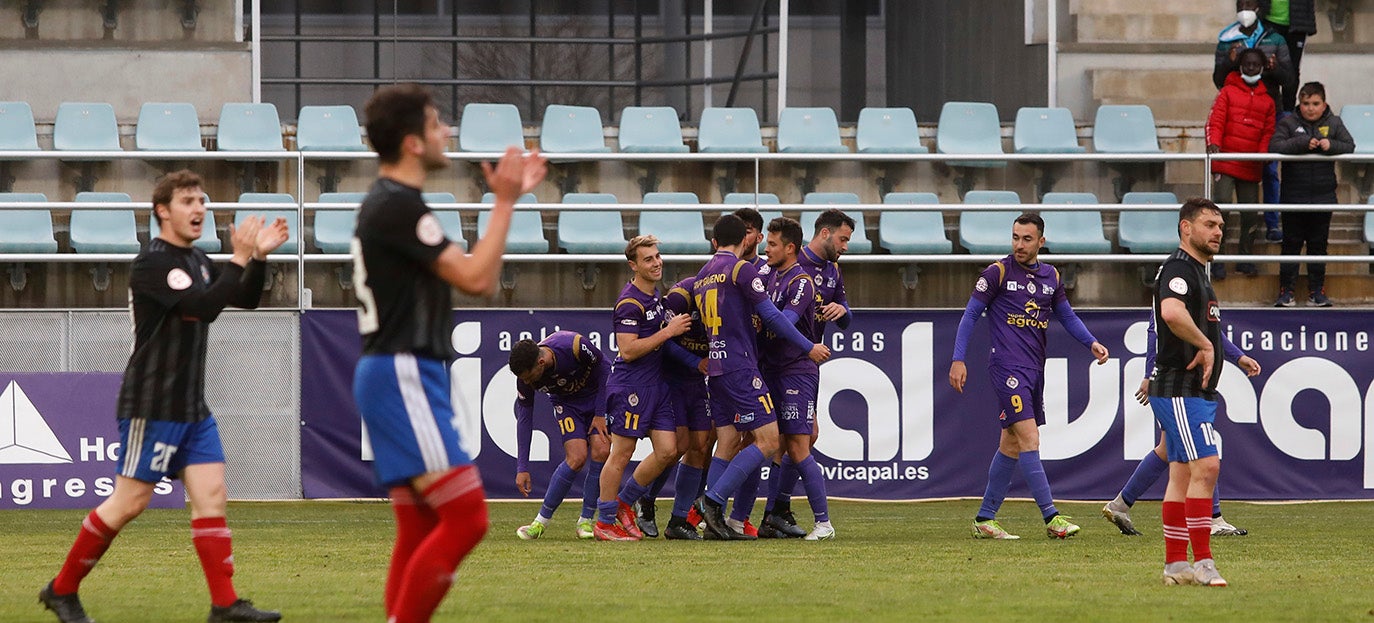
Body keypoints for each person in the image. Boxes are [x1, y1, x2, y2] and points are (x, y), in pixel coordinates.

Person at [39, 170, 289, 623]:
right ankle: (61, 589)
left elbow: (246, 298)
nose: (199, 210)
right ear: (162, 211)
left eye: (203, 201)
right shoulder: (153, 263)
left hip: (192, 407)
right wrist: (237, 257)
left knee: (212, 497)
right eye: (189, 201)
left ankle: (225, 605)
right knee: (129, 502)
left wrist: (257, 259)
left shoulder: (196, 259)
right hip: (152, 405)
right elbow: (204, 308)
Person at [350, 84, 546, 622]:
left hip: (391, 369)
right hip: (403, 370)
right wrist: (505, 200)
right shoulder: (400, 206)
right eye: (437, 124)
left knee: (418, 526)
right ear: (413, 142)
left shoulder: (389, 204)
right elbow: (479, 279)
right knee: (466, 518)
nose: (447, 133)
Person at [949, 213, 1109, 540]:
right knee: (1029, 439)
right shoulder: (998, 272)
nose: (1019, 245)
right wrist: (958, 359)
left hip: (1035, 370)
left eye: (1026, 239)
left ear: (1041, 242)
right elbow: (969, 316)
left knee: (1010, 444)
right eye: (1015, 237)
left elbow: (1067, 315)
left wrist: (1091, 342)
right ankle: (1052, 518)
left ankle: (985, 518)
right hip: (1007, 368)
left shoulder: (1051, 275)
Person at [693, 214, 830, 541]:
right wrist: (809, 346)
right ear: (746, 241)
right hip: (745, 367)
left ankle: (728, 520)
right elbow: (771, 317)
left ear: (714, 242)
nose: (764, 248)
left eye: (771, 243)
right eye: (761, 241)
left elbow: (766, 318)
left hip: (730, 367)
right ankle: (713, 504)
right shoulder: (746, 270)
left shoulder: (702, 275)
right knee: (768, 441)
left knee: (736, 443)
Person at [1147, 197, 1244, 587]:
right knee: (1208, 467)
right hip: (1179, 388)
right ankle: (1203, 562)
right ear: (1186, 228)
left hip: (1192, 391)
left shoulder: (1199, 273)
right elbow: (1170, 312)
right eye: (1208, 224)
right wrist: (1205, 346)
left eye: (1220, 225)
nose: (1217, 231)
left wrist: (1227, 353)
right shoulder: (1179, 268)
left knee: (1182, 475)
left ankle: (1175, 565)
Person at [1102, 315, 1259, 537]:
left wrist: (1239, 356)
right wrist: (1149, 374)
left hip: (1186, 385)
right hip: (1176, 387)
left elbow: (1211, 332)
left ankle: (1120, 506)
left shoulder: (1197, 285)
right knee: (1202, 450)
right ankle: (1213, 519)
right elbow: (1155, 332)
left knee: (1167, 450)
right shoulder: (1175, 283)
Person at [592, 235, 693, 541]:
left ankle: (625, 502)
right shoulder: (629, 302)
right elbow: (628, 351)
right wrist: (669, 332)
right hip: (631, 386)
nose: (657, 262)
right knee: (621, 453)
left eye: (658, 256)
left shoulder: (654, 297)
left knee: (668, 451)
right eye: (648, 259)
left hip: (657, 386)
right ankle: (605, 522)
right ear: (633, 265)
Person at [763, 208, 854, 534]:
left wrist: (842, 310)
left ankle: (775, 510)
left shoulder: (833, 272)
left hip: (802, 366)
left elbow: (846, 319)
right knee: (791, 439)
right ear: (825, 233)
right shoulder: (787, 261)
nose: (845, 246)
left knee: (799, 437)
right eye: (843, 239)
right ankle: (776, 510)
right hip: (785, 363)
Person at [758, 217, 833, 540]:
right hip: (772, 369)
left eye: (772, 244)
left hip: (796, 372)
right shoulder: (771, 277)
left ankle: (824, 523)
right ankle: (773, 514)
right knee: (780, 446)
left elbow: (783, 322)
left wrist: (806, 346)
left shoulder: (800, 282)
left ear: (790, 248)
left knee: (800, 446)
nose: (766, 249)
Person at [508, 332, 612, 540]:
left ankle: (586, 521)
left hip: (596, 399)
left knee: (601, 450)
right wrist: (522, 467)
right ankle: (540, 523)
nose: (527, 382)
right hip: (567, 404)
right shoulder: (525, 380)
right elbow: (525, 419)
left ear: (541, 362)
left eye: (529, 376)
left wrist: (600, 413)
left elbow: (605, 368)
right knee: (576, 457)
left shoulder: (572, 345)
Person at [1270, 81, 1356, 307]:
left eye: (1315, 103)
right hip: (1293, 197)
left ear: (1324, 103)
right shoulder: (1288, 122)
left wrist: (1331, 145)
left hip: (1323, 196)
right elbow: (1275, 146)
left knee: (1318, 246)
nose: (1310, 108)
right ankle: (1286, 292)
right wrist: (1302, 143)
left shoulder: (1334, 122)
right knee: (1291, 244)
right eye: (1306, 103)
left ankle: (1316, 292)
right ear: (1300, 103)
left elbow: (1349, 146)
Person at [1215, 0, 1294, 234]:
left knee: (1269, 170)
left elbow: (1289, 80)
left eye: (1249, 4)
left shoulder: (1275, 39)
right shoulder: (1226, 39)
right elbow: (1218, 80)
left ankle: (1272, 223)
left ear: (1259, 7)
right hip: (1237, 114)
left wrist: (1274, 69)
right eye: (1241, 5)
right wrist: (1229, 63)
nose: (1245, 10)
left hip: (1268, 110)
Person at [1206, 47, 1276, 280]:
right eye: (1247, 64)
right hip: (1226, 161)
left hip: (1250, 164)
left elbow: (1268, 131)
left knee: (1249, 215)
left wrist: (1262, 154)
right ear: (1240, 66)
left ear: (1263, 68)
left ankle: (1245, 259)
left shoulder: (1268, 100)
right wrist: (1214, 144)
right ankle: (1217, 259)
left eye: (1256, 65)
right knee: (1221, 208)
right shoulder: (1227, 92)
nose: (1251, 68)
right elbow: (1215, 120)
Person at [657, 278, 715, 540]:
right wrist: (695, 361)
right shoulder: (680, 298)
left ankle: (678, 520)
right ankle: (642, 501)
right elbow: (662, 340)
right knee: (676, 446)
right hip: (671, 379)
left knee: (701, 445)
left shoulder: (728, 298)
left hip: (696, 383)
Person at [1260, 0, 1317, 113]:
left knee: (1292, 70)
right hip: (1268, 20)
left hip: (1297, 22)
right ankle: (1268, 109)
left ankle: (1288, 112)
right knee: (1267, 66)